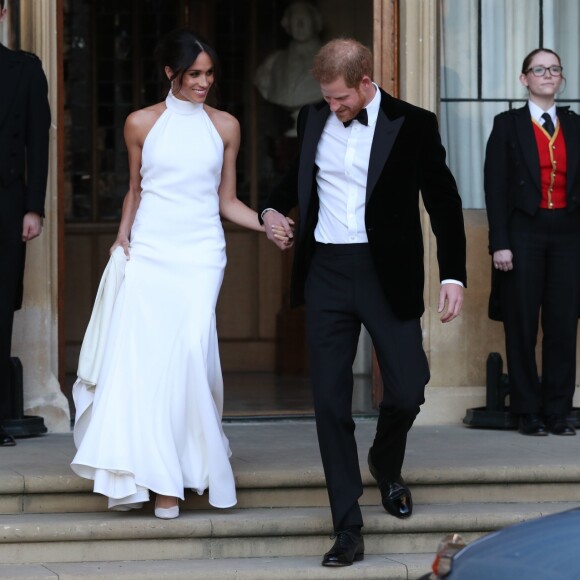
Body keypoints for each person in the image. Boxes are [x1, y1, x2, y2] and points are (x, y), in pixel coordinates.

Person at [260, 38, 466, 567]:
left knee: (408, 387)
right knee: (330, 403)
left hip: (385, 275)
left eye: (341, 99)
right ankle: (347, 527)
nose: (333, 108)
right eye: (327, 99)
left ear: (366, 82)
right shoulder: (311, 120)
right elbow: (286, 184)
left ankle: (385, 461)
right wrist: (269, 212)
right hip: (326, 271)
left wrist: (454, 276)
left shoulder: (413, 124)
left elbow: (443, 201)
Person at [70, 29, 288, 518]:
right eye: (194, 74)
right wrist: (123, 236)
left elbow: (226, 201)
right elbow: (135, 189)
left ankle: (182, 472)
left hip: (201, 254)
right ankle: (161, 482)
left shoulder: (226, 126)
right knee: (148, 365)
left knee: (191, 354)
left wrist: (265, 221)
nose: (203, 82)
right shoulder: (140, 124)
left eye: (209, 73)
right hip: (151, 251)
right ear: (171, 73)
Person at [484, 48, 580, 437]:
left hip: (569, 234)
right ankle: (526, 410)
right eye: (539, 69)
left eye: (554, 69)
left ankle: (558, 410)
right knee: (521, 324)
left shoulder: (575, 126)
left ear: (560, 79)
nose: (547, 74)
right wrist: (499, 243)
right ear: (525, 79)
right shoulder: (507, 124)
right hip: (523, 232)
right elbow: (495, 187)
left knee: (562, 325)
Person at [0, 0, 51, 448]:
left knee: (0, 307)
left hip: (6, 203)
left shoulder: (25, 69)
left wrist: (33, 207)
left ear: (1, 13)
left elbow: (39, 141)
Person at [254, 1, 323, 134]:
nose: (300, 24)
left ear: (316, 21)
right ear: (287, 25)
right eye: (295, 19)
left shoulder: (334, 62)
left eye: (305, 18)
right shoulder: (272, 63)